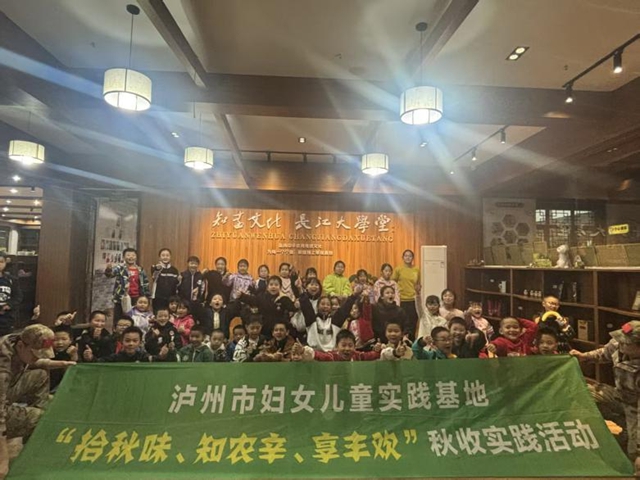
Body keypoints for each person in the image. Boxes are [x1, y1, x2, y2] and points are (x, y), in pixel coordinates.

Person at [0, 324, 74, 478]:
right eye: (35, 354)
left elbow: (31, 361)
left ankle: (33, 441)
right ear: (21, 346)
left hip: (6, 392)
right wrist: (3, 457)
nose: (38, 358)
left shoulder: (12, 341)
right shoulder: (2, 370)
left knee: (40, 374)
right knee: (40, 418)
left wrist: (60, 364)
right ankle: (36, 426)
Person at [571, 321, 640, 470]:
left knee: (634, 454)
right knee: (586, 394)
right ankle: (625, 428)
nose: (621, 343)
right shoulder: (619, 344)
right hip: (620, 395)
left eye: (627, 343)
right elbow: (604, 353)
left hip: (636, 408)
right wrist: (584, 356)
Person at [104, 248, 149, 322]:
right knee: (119, 318)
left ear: (136, 257)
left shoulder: (140, 270)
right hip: (121, 297)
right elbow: (110, 275)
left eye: (133, 255)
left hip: (136, 298)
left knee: (134, 319)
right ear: (124, 257)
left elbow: (145, 283)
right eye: (128, 255)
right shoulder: (120, 268)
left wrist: (146, 297)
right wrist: (108, 269)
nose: (131, 257)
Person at [85, 326, 170, 362]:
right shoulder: (115, 358)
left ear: (140, 342)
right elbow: (99, 362)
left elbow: (156, 360)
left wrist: (162, 356)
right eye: (127, 340)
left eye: (135, 341)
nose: (131, 344)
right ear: (122, 341)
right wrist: (90, 358)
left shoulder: (143, 357)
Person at [292, 329, 382, 362]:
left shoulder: (358, 356)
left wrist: (378, 349)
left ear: (355, 347)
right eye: (343, 345)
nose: (347, 348)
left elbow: (372, 355)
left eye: (350, 345)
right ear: (336, 346)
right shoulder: (331, 357)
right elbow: (318, 355)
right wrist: (303, 350)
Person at [392, 249, 420, 337]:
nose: (408, 258)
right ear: (403, 257)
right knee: (402, 322)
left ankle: (411, 341)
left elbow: (418, 283)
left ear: (413, 258)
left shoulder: (416, 269)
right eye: (406, 256)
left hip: (413, 300)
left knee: (413, 322)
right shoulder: (398, 269)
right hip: (402, 300)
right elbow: (393, 283)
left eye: (410, 256)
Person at [150, 248, 180, 312]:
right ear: (159, 257)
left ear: (170, 257)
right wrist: (158, 269)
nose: (165, 257)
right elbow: (154, 276)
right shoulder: (155, 267)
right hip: (158, 297)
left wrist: (179, 280)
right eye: (163, 255)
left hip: (171, 298)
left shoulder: (174, 270)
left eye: (167, 255)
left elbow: (176, 284)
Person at [0, 253, 22, 337]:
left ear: (5, 262)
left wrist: (9, 305)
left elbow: (18, 296)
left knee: (5, 341)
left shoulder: (11, 279)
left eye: (1, 262)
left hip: (6, 318)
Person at [50, 327, 78, 393]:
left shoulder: (73, 350)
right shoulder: (48, 352)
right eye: (56, 339)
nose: (60, 342)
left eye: (64, 339)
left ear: (71, 340)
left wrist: (73, 356)